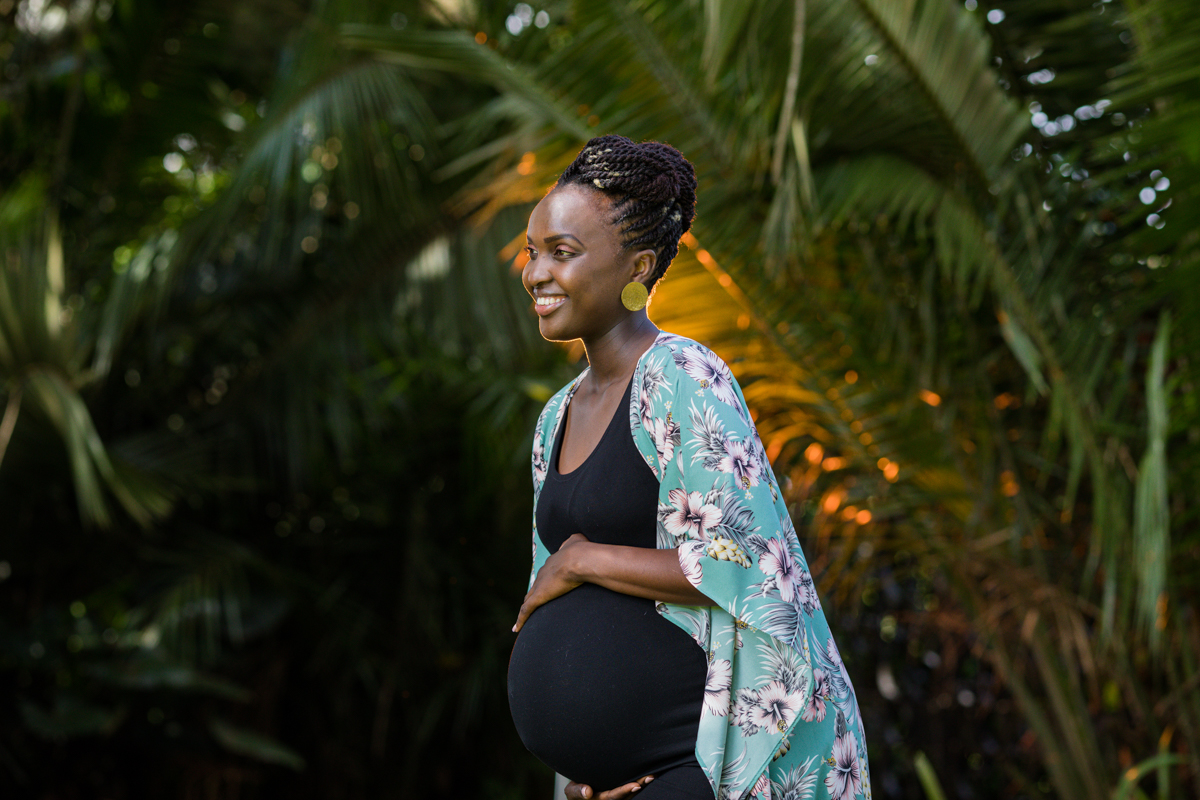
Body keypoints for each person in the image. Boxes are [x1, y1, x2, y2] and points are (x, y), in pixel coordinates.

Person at [507, 135, 871, 800]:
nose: (534, 273)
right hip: (618, 783)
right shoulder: (554, 417)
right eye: (533, 252)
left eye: (563, 253)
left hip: (704, 764)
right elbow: (551, 604)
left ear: (637, 266)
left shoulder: (681, 375)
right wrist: (581, 776)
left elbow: (747, 568)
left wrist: (583, 558)